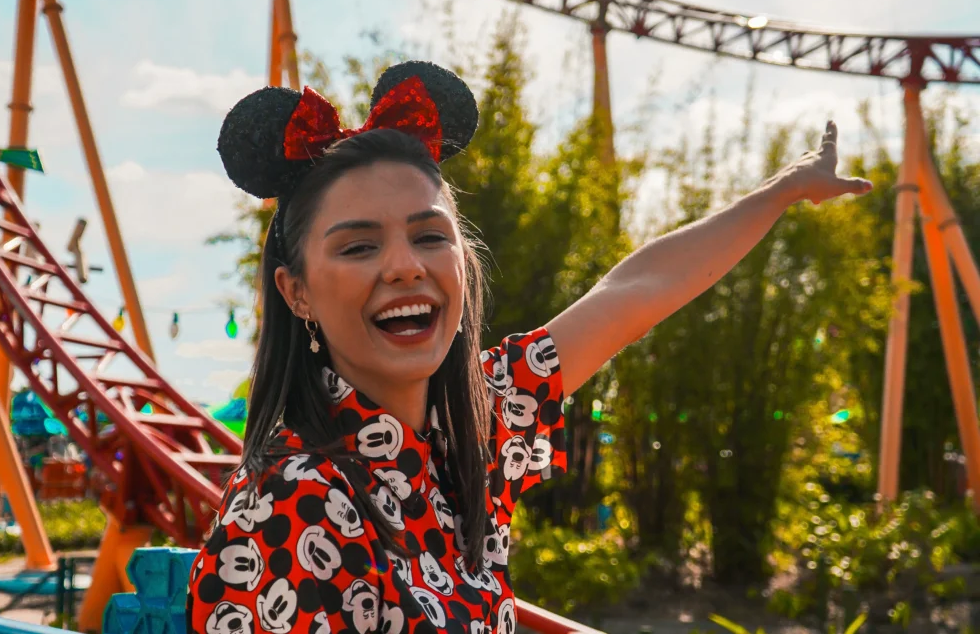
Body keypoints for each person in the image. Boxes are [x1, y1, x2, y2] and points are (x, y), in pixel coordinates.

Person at [188, 61, 871, 634]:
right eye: (360, 245)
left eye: (430, 236)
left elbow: (635, 290)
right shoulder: (290, 505)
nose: (404, 265)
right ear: (296, 290)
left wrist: (784, 192)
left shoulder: (474, 423)